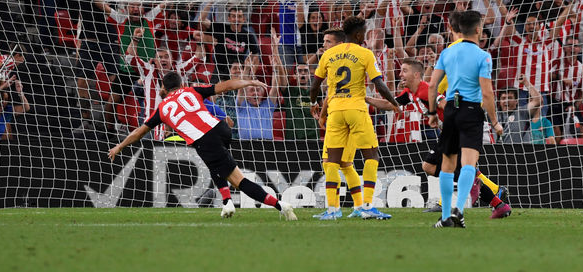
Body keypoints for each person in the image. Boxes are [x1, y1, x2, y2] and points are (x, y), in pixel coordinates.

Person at [108, 72, 297, 221]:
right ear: (181, 85)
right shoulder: (192, 90)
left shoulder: (163, 108)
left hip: (205, 139)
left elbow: (138, 133)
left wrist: (119, 146)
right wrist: (249, 82)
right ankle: (227, 202)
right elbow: (226, 86)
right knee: (214, 164)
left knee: (239, 181)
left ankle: (281, 206)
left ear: (163, 88)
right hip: (221, 128)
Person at [309, 15, 401, 220]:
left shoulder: (329, 55)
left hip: (335, 112)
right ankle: (366, 206)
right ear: (359, 34)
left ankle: (333, 210)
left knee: (331, 162)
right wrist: (394, 103)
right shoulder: (365, 54)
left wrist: (313, 104)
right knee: (371, 156)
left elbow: (314, 86)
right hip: (356, 110)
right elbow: (379, 84)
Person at [427, 10, 503, 228]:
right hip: (472, 111)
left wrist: (433, 113)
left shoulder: (447, 53)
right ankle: (459, 211)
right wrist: (495, 121)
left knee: (448, 165)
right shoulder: (483, 56)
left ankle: (444, 217)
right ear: (478, 29)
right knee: (469, 163)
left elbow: (432, 85)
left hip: (451, 109)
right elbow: (487, 93)